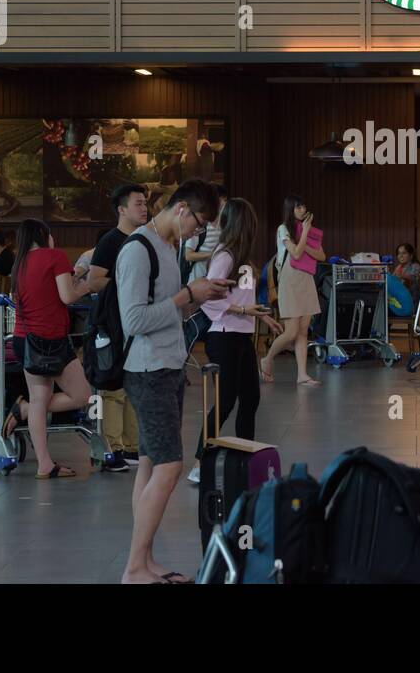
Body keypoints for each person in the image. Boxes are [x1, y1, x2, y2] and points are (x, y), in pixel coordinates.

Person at [118, 179, 229, 584]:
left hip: (167, 364)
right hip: (147, 370)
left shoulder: (168, 248)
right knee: (170, 466)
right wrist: (186, 295)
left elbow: (169, 309)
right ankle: (133, 568)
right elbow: (134, 320)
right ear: (182, 209)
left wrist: (201, 296)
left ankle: (144, 560)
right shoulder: (137, 250)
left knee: (150, 463)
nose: (198, 233)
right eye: (199, 224)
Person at [186, 197, 282, 485]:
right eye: (251, 221)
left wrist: (261, 316)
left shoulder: (241, 257)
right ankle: (199, 463)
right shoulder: (225, 256)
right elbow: (207, 297)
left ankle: (245, 460)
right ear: (244, 224)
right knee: (226, 401)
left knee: (250, 398)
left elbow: (241, 298)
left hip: (241, 335)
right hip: (223, 336)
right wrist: (243, 311)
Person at [0, 219, 94, 478]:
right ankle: (25, 409)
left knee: (40, 399)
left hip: (24, 339)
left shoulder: (18, 264)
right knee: (83, 395)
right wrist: (88, 285)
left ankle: (44, 462)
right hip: (51, 339)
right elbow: (67, 297)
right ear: (43, 235)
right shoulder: (55, 256)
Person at [86, 185, 151, 473]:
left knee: (132, 384)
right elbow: (94, 280)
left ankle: (132, 444)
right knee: (112, 387)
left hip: (137, 323)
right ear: (122, 209)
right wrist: (126, 283)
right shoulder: (111, 241)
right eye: (138, 203)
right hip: (112, 323)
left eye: (145, 203)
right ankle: (111, 447)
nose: (144, 208)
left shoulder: (145, 239)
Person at [259, 195, 325, 387]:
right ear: (290, 209)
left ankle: (302, 375)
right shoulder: (283, 229)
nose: (302, 209)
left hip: (306, 279)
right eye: (298, 207)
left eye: (304, 206)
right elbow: (295, 253)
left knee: (303, 331)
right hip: (289, 279)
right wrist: (305, 233)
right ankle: (267, 359)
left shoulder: (308, 230)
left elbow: (321, 255)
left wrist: (305, 237)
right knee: (291, 331)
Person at [183, 184, 227, 284]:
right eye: (222, 200)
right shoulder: (200, 224)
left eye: (225, 200)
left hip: (217, 277)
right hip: (197, 279)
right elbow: (188, 255)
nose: (224, 203)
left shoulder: (226, 223)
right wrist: (214, 255)